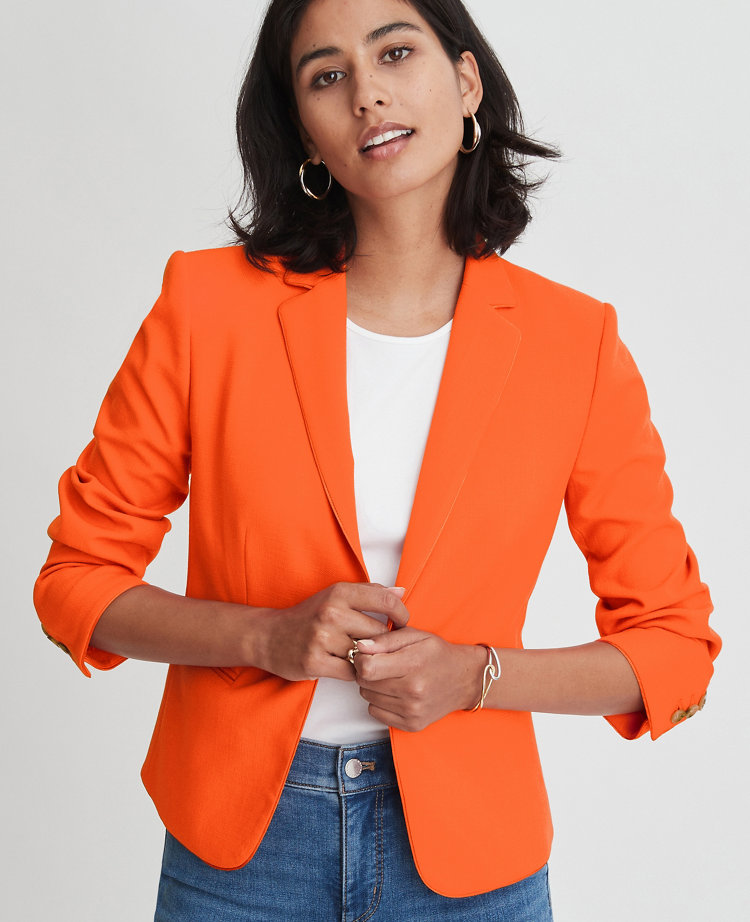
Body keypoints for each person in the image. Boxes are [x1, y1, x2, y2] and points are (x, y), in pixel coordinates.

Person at [34, 0, 721, 919]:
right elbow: (76, 583)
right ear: (304, 133)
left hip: (471, 859)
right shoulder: (207, 308)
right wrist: (264, 637)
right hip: (242, 855)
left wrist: (477, 676)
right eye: (327, 75)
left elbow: (673, 648)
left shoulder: (575, 343)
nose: (367, 94)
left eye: (395, 53)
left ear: (466, 81)